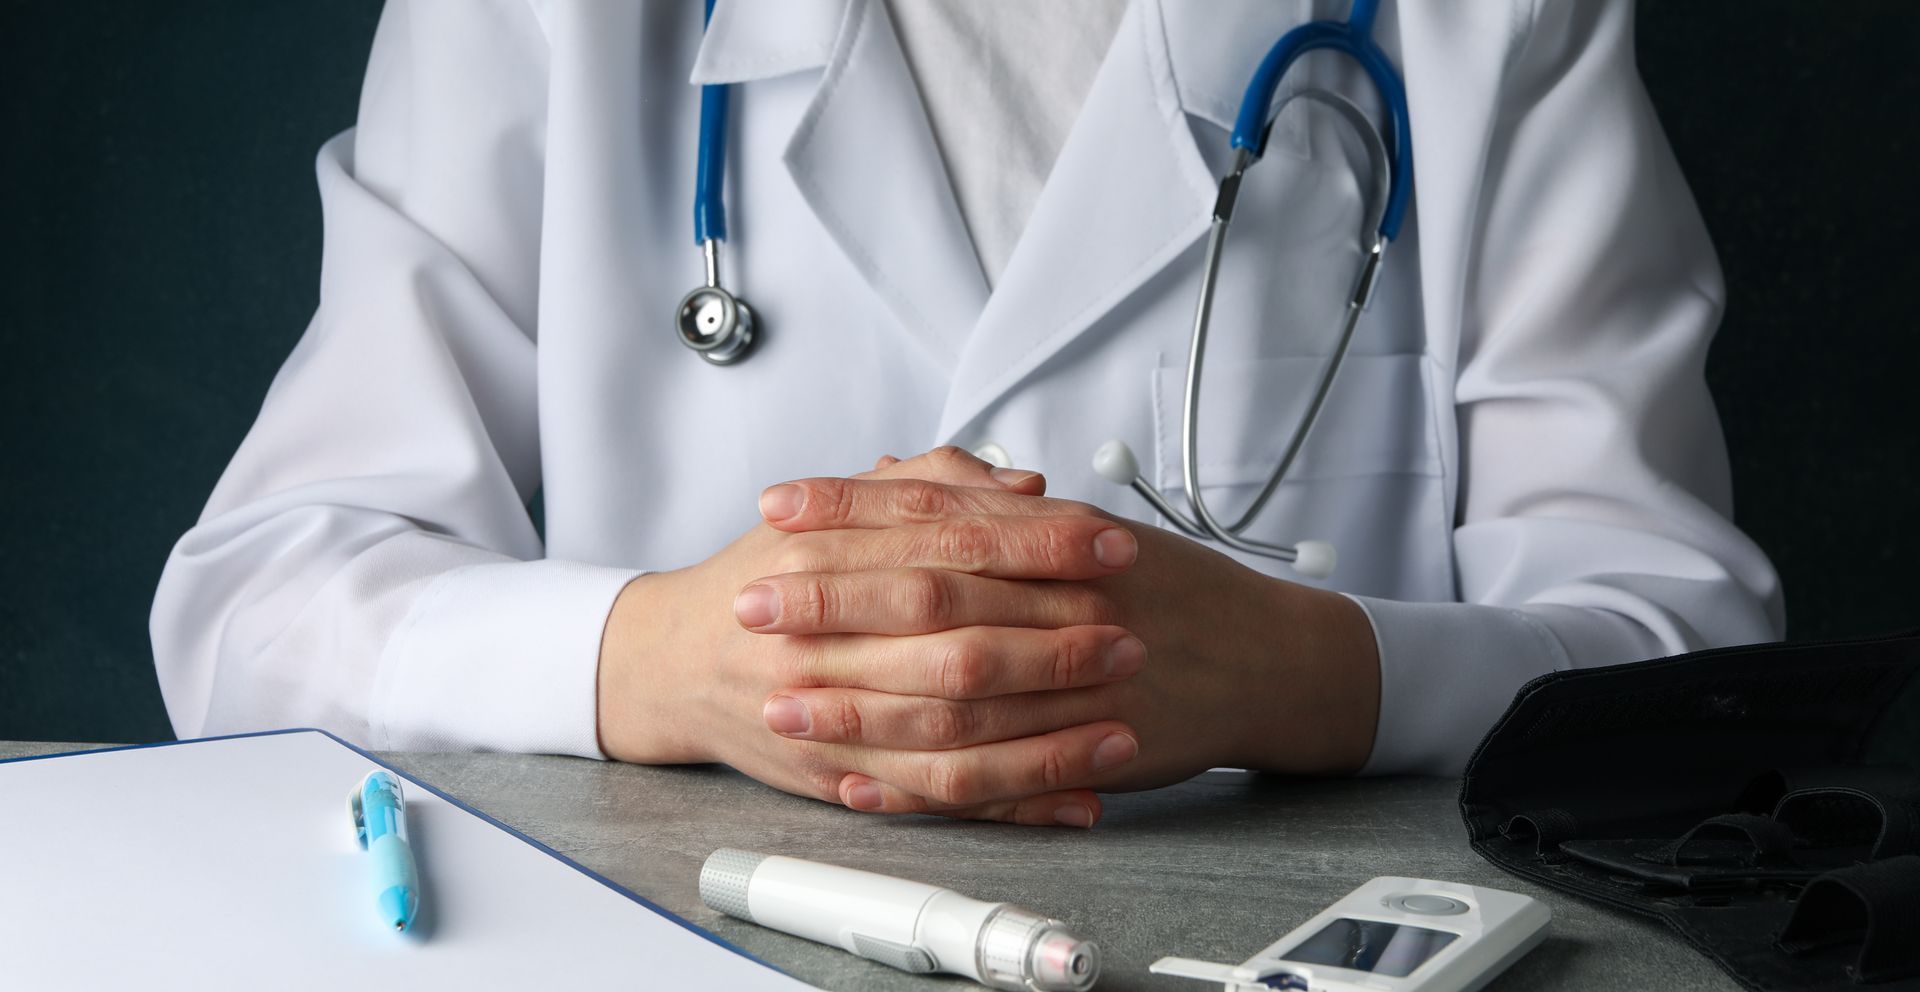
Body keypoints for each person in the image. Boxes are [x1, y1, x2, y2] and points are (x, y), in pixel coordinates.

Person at [151, 0, 1782, 827]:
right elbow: (252, 612)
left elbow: (1693, 655)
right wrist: (664, 660)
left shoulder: (1481, 24)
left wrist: (1307, 674)